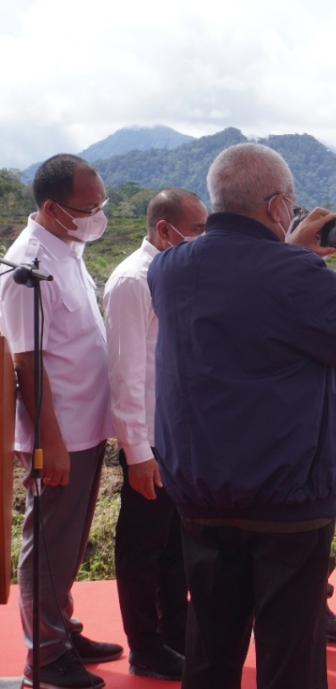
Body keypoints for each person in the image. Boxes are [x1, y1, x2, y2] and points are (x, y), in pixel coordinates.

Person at [148, 142, 336, 689]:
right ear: (277, 206)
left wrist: (289, 248)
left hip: (200, 491)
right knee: (289, 653)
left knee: (212, 644)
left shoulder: (169, 270)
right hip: (285, 495)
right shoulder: (295, 277)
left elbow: (244, 291)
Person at [0, 153, 123, 689]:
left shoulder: (66, 248)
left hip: (86, 422)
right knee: (48, 541)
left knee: (69, 540)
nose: (98, 216)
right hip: (60, 428)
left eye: (101, 204)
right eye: (88, 208)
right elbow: (26, 361)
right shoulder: (25, 264)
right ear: (52, 208)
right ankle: (46, 657)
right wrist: (48, 439)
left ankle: (63, 629)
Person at [105, 188, 207, 681]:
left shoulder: (178, 273)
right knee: (143, 547)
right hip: (150, 440)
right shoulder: (133, 281)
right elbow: (126, 375)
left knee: (174, 544)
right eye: (198, 229)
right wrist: (138, 451)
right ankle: (145, 645)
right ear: (165, 230)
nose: (204, 239)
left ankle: (174, 633)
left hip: (177, 433)